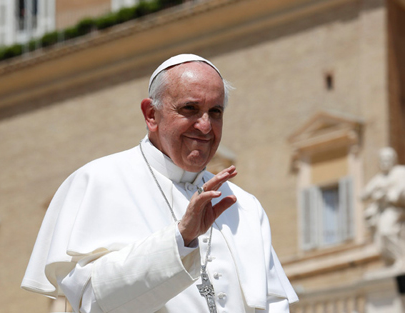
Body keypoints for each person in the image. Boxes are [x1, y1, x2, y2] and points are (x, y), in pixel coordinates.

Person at [22, 54, 298, 312]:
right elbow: (94, 302)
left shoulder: (245, 206)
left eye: (215, 112)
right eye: (190, 109)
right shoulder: (99, 181)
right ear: (151, 115)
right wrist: (180, 239)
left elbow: (275, 303)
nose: (205, 126)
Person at [362, 147, 405, 269]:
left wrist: (393, 194)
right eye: (382, 160)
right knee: (381, 236)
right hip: (383, 211)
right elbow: (364, 194)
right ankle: (391, 260)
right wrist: (376, 194)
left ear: (393, 160)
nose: (384, 163)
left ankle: (399, 259)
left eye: (386, 159)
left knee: (386, 231)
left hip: (396, 209)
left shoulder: (401, 172)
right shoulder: (379, 178)